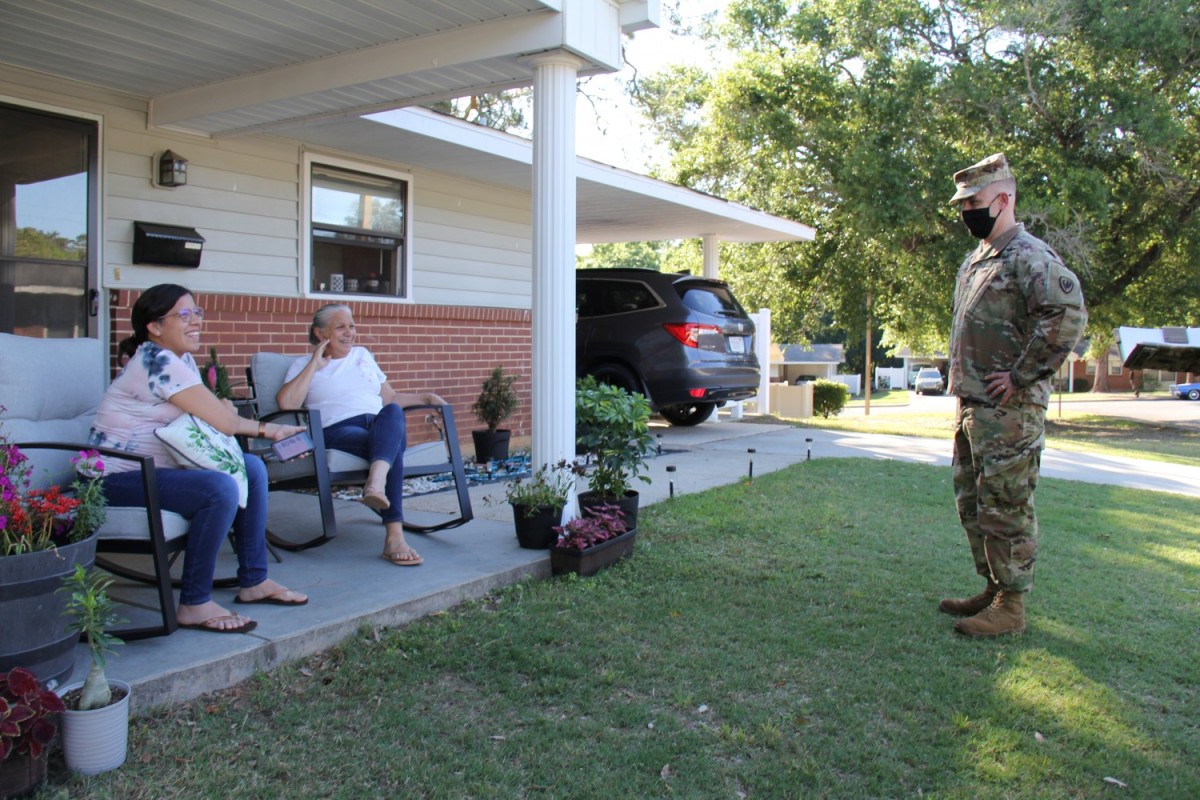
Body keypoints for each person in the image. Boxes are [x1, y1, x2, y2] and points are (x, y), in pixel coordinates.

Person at [90, 284, 309, 634]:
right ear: (155, 326)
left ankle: (253, 580)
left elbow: (213, 417)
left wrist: (226, 413)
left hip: (156, 473)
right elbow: (222, 420)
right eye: (184, 315)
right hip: (109, 482)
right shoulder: (154, 360)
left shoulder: (181, 359)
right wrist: (269, 430)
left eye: (197, 313)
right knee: (217, 488)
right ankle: (193, 602)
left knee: (251, 468)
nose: (196, 322)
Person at [941, 153, 1088, 637]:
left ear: (1004, 199)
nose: (968, 213)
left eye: (975, 203)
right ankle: (992, 587)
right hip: (974, 407)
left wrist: (1023, 374)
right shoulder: (980, 257)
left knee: (1006, 504)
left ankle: (1012, 606)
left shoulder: (1030, 255)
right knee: (973, 504)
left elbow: (1067, 316)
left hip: (1009, 412)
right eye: (963, 206)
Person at [276, 304, 445, 567]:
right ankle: (394, 536)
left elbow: (391, 398)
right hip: (338, 431)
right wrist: (314, 365)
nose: (350, 332)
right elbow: (286, 403)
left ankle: (375, 483)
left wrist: (426, 397)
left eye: (352, 325)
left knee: (390, 413)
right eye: (340, 327)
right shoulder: (303, 365)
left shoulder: (363, 355)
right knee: (390, 450)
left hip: (381, 424)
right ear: (321, 334)